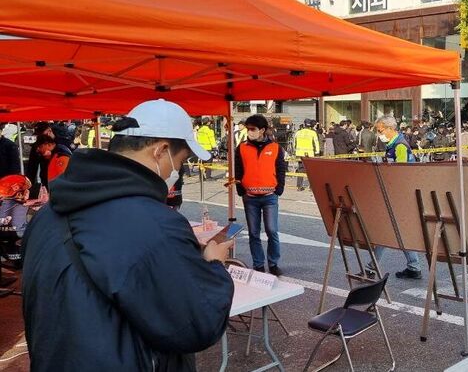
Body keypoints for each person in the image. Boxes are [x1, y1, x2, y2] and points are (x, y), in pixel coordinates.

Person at [22, 99, 234, 371]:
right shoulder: (156, 223)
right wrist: (213, 265)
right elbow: (197, 323)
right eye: (180, 162)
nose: (176, 172)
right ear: (161, 151)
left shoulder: (45, 215)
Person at [367, 115, 421, 280]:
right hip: (400, 195)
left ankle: (370, 268)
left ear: (390, 128)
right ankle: (414, 267)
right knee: (398, 231)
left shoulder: (399, 147)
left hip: (400, 196)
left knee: (386, 231)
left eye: (380, 130)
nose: (379, 134)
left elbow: (400, 173)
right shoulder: (393, 145)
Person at [234, 114, 288, 276]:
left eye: (253, 129)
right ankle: (258, 264)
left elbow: (281, 169)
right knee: (254, 233)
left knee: (272, 231)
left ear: (262, 130)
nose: (249, 132)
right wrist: (240, 188)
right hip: (250, 197)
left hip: (270, 197)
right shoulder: (242, 147)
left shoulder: (276, 148)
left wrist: (279, 188)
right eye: (248, 129)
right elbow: (238, 169)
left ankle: (273, 263)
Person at [25, 122, 55, 194]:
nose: (39, 136)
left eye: (41, 133)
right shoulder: (36, 146)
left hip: (57, 180)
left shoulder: (60, 143)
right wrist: (28, 186)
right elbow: (32, 167)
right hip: (45, 179)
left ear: (49, 131)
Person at [294, 118, 320, 191]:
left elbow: (294, 143)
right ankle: (311, 187)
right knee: (310, 170)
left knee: (300, 169)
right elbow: (316, 144)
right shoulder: (313, 133)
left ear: (304, 124)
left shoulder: (298, 132)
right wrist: (317, 153)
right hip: (310, 154)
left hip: (299, 154)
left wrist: (295, 151)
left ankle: (299, 186)